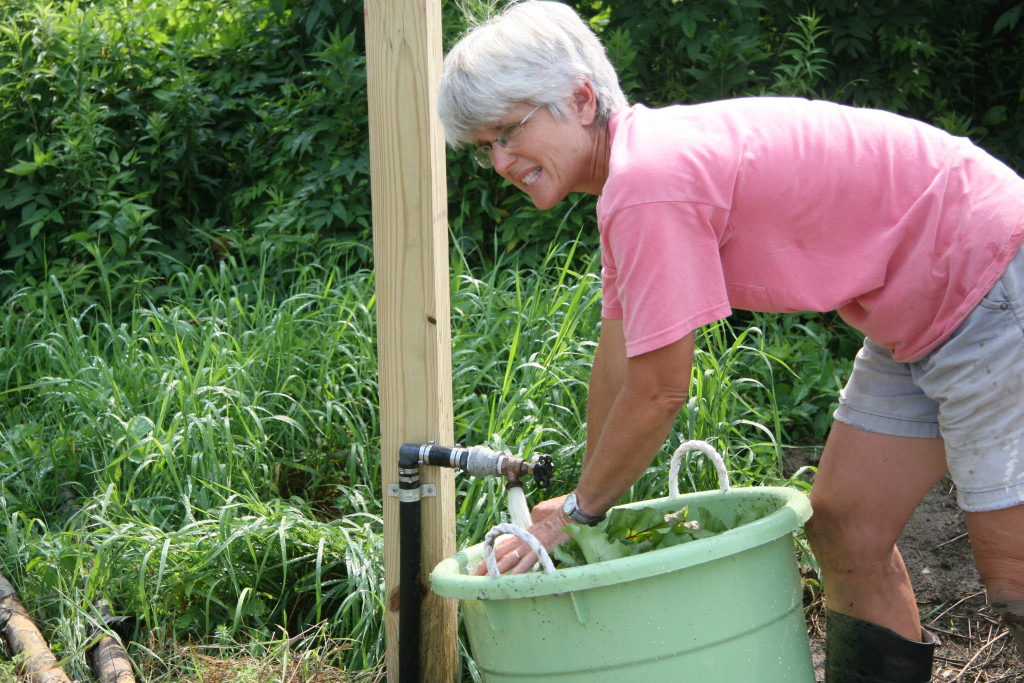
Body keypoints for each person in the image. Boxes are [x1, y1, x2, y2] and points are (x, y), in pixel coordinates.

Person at [437, 2, 1024, 680]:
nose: (502, 160)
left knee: (1012, 568)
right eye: (485, 147)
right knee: (844, 528)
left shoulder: (647, 181)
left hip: (986, 273)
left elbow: (660, 392)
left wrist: (577, 511)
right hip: (915, 315)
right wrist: (585, 509)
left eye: (510, 131)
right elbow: (620, 364)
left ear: (580, 98)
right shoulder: (630, 182)